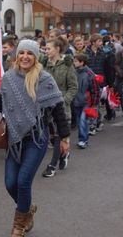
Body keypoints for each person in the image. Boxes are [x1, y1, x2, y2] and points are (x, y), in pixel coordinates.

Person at [0, 39, 70, 237]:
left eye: (30, 53)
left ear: (36, 57)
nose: (25, 57)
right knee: (10, 184)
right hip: (15, 139)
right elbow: (3, 108)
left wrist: (65, 137)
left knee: (23, 181)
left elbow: (58, 108)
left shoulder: (45, 79)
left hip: (37, 137)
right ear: (17, 55)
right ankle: (28, 210)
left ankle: (19, 225)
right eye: (22, 53)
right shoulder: (8, 78)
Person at [40, 38, 77, 178]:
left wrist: (64, 101)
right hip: (46, 105)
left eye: (48, 48)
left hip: (61, 106)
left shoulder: (67, 65)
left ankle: (52, 165)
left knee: (57, 136)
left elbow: (73, 87)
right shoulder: (43, 65)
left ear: (57, 49)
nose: (46, 51)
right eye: (45, 49)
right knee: (52, 136)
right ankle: (64, 153)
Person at [73, 54, 100, 148]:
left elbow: (95, 89)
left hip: (86, 102)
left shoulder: (89, 74)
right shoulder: (74, 72)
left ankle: (83, 140)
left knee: (82, 121)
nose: (74, 63)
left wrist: (94, 103)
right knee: (79, 121)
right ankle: (83, 139)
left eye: (76, 61)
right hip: (76, 101)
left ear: (82, 62)